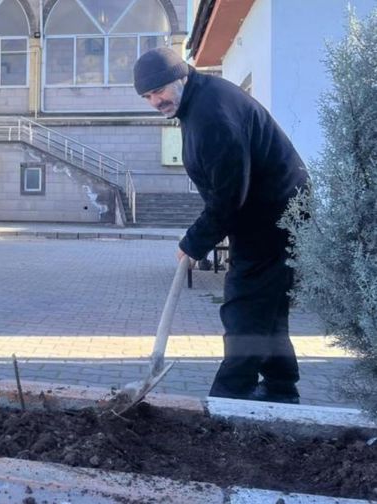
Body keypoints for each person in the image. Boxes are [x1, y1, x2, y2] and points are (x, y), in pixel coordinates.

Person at [132, 48, 309, 404]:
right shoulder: (197, 102)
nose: (155, 101)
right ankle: (281, 387)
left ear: (182, 77)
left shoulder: (212, 114)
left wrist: (195, 242)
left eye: (160, 91)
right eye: (148, 96)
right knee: (268, 305)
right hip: (266, 214)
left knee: (244, 304)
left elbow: (229, 195)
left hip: (274, 217)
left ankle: (231, 397)